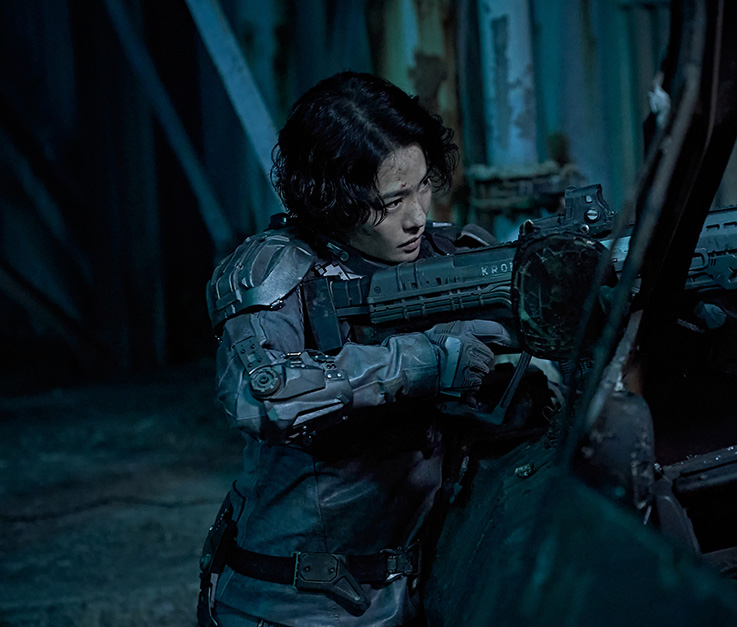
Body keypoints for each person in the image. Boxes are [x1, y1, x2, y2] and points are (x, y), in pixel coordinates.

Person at [198, 71, 511, 627]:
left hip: (413, 589)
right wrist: (427, 361)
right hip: (294, 603)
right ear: (334, 201)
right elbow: (262, 395)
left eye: (423, 186)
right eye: (391, 202)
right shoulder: (274, 272)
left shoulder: (450, 254)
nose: (417, 217)